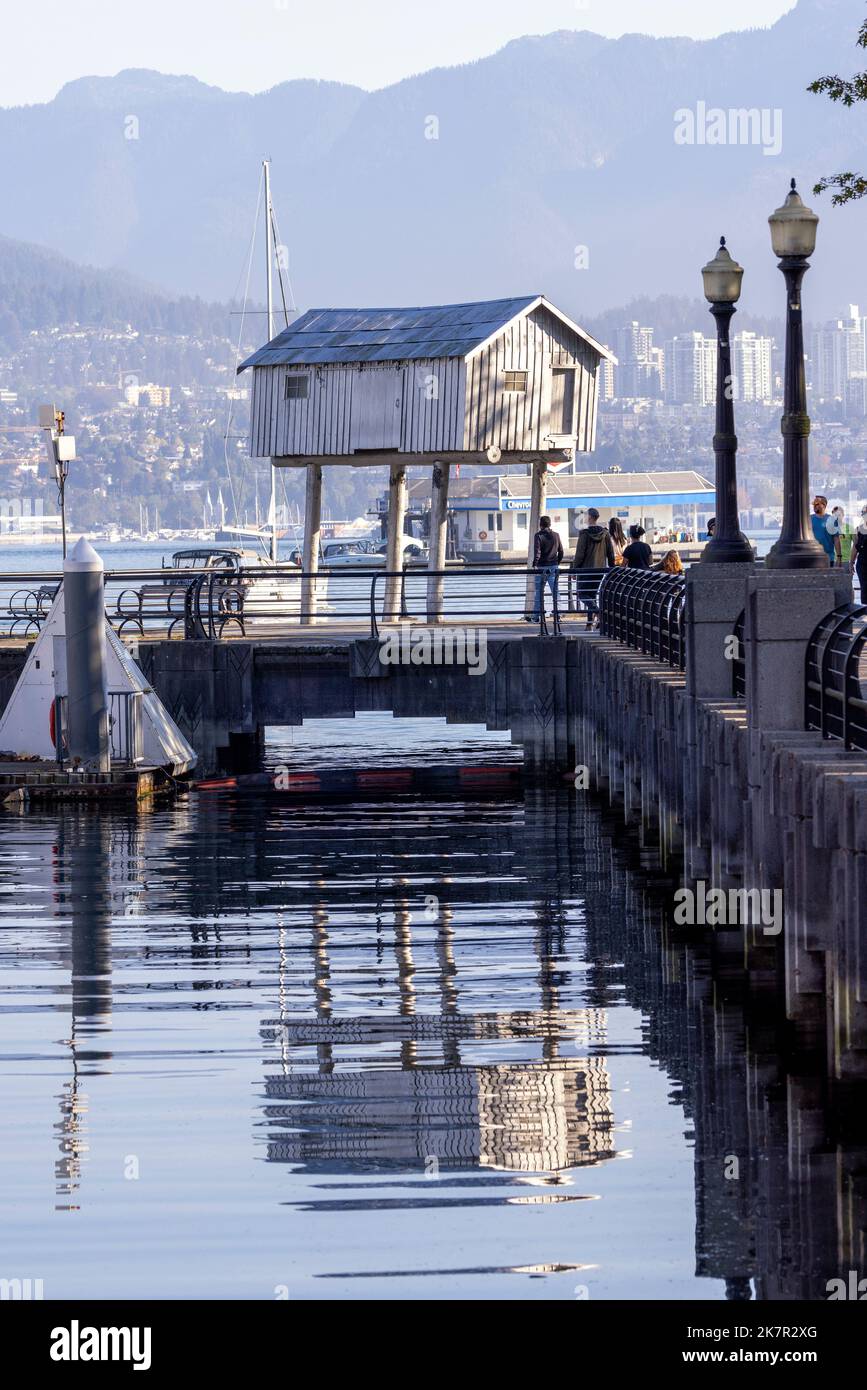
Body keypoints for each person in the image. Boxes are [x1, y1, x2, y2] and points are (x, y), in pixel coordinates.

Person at [571, 507, 615, 628]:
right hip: (600, 570)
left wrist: (575, 570)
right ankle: (589, 624)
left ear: (590, 517)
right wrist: (612, 568)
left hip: (586, 570)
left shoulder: (584, 534)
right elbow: (610, 553)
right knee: (591, 596)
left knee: (582, 595)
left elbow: (580, 554)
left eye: (586, 516)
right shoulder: (605, 533)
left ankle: (598, 612)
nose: (585, 518)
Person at [528, 515, 563, 622]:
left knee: (539, 592)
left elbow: (537, 552)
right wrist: (557, 562)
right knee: (555, 591)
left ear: (540, 524)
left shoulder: (538, 536)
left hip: (541, 567)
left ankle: (536, 616)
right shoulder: (556, 535)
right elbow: (561, 551)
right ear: (550, 524)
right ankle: (558, 614)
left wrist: (535, 564)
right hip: (553, 567)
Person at [811, 495, 837, 565]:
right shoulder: (808, 519)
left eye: (817, 504)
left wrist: (839, 557)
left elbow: (836, 539)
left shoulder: (832, 520)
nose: (814, 506)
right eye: (814, 504)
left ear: (824, 505)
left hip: (829, 558)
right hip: (812, 558)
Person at [851, 506, 867, 603]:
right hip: (862, 564)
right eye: (863, 513)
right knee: (865, 588)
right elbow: (855, 548)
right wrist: (851, 562)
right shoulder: (858, 529)